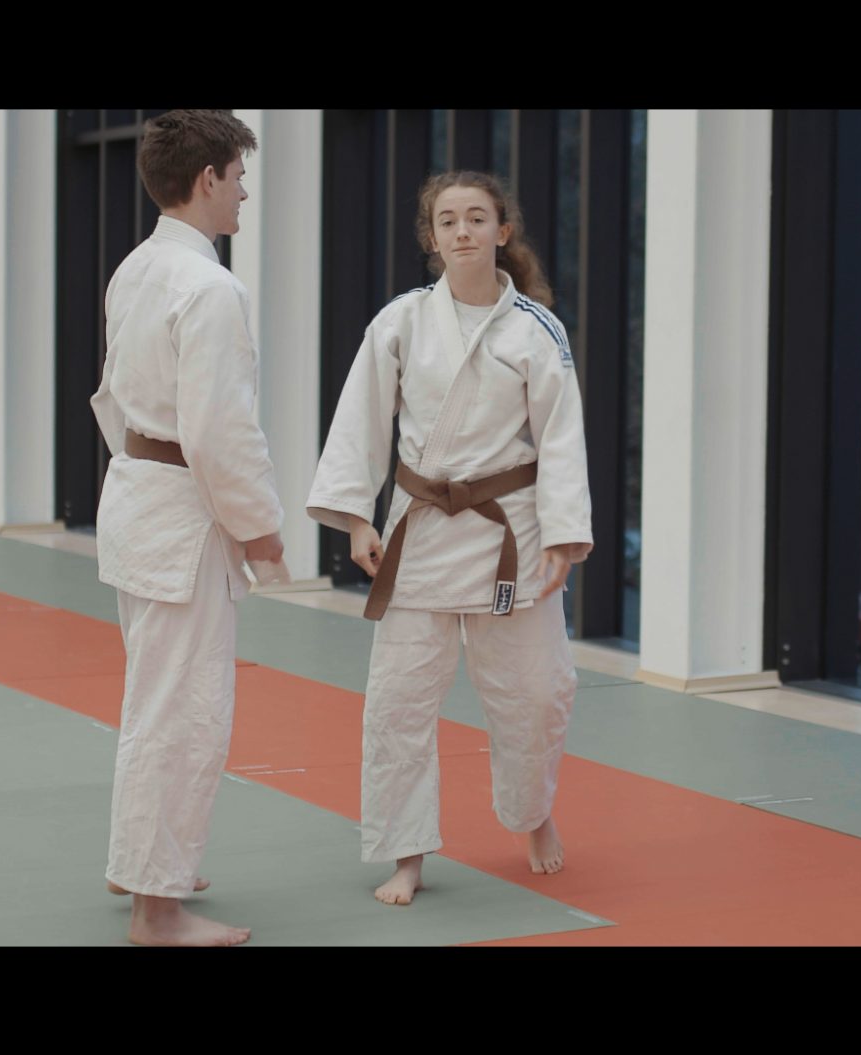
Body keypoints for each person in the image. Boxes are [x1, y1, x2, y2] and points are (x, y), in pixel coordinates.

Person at [306, 170, 593, 906]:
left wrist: (564, 535)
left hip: (509, 534)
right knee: (398, 703)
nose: (462, 230)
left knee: (537, 694)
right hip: (422, 531)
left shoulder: (536, 329)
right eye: (447, 220)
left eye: (476, 218)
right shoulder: (400, 321)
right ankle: (406, 852)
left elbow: (561, 438)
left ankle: (532, 813)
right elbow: (361, 417)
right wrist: (357, 515)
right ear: (431, 238)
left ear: (503, 230)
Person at [91, 109, 287, 946]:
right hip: (182, 508)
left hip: (138, 493)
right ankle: (157, 908)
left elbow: (111, 398)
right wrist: (261, 528)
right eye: (239, 178)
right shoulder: (209, 288)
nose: (244, 193)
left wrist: (148, 471)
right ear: (208, 178)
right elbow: (219, 431)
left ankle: (141, 862)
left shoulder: (136, 269)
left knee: (153, 698)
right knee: (184, 711)